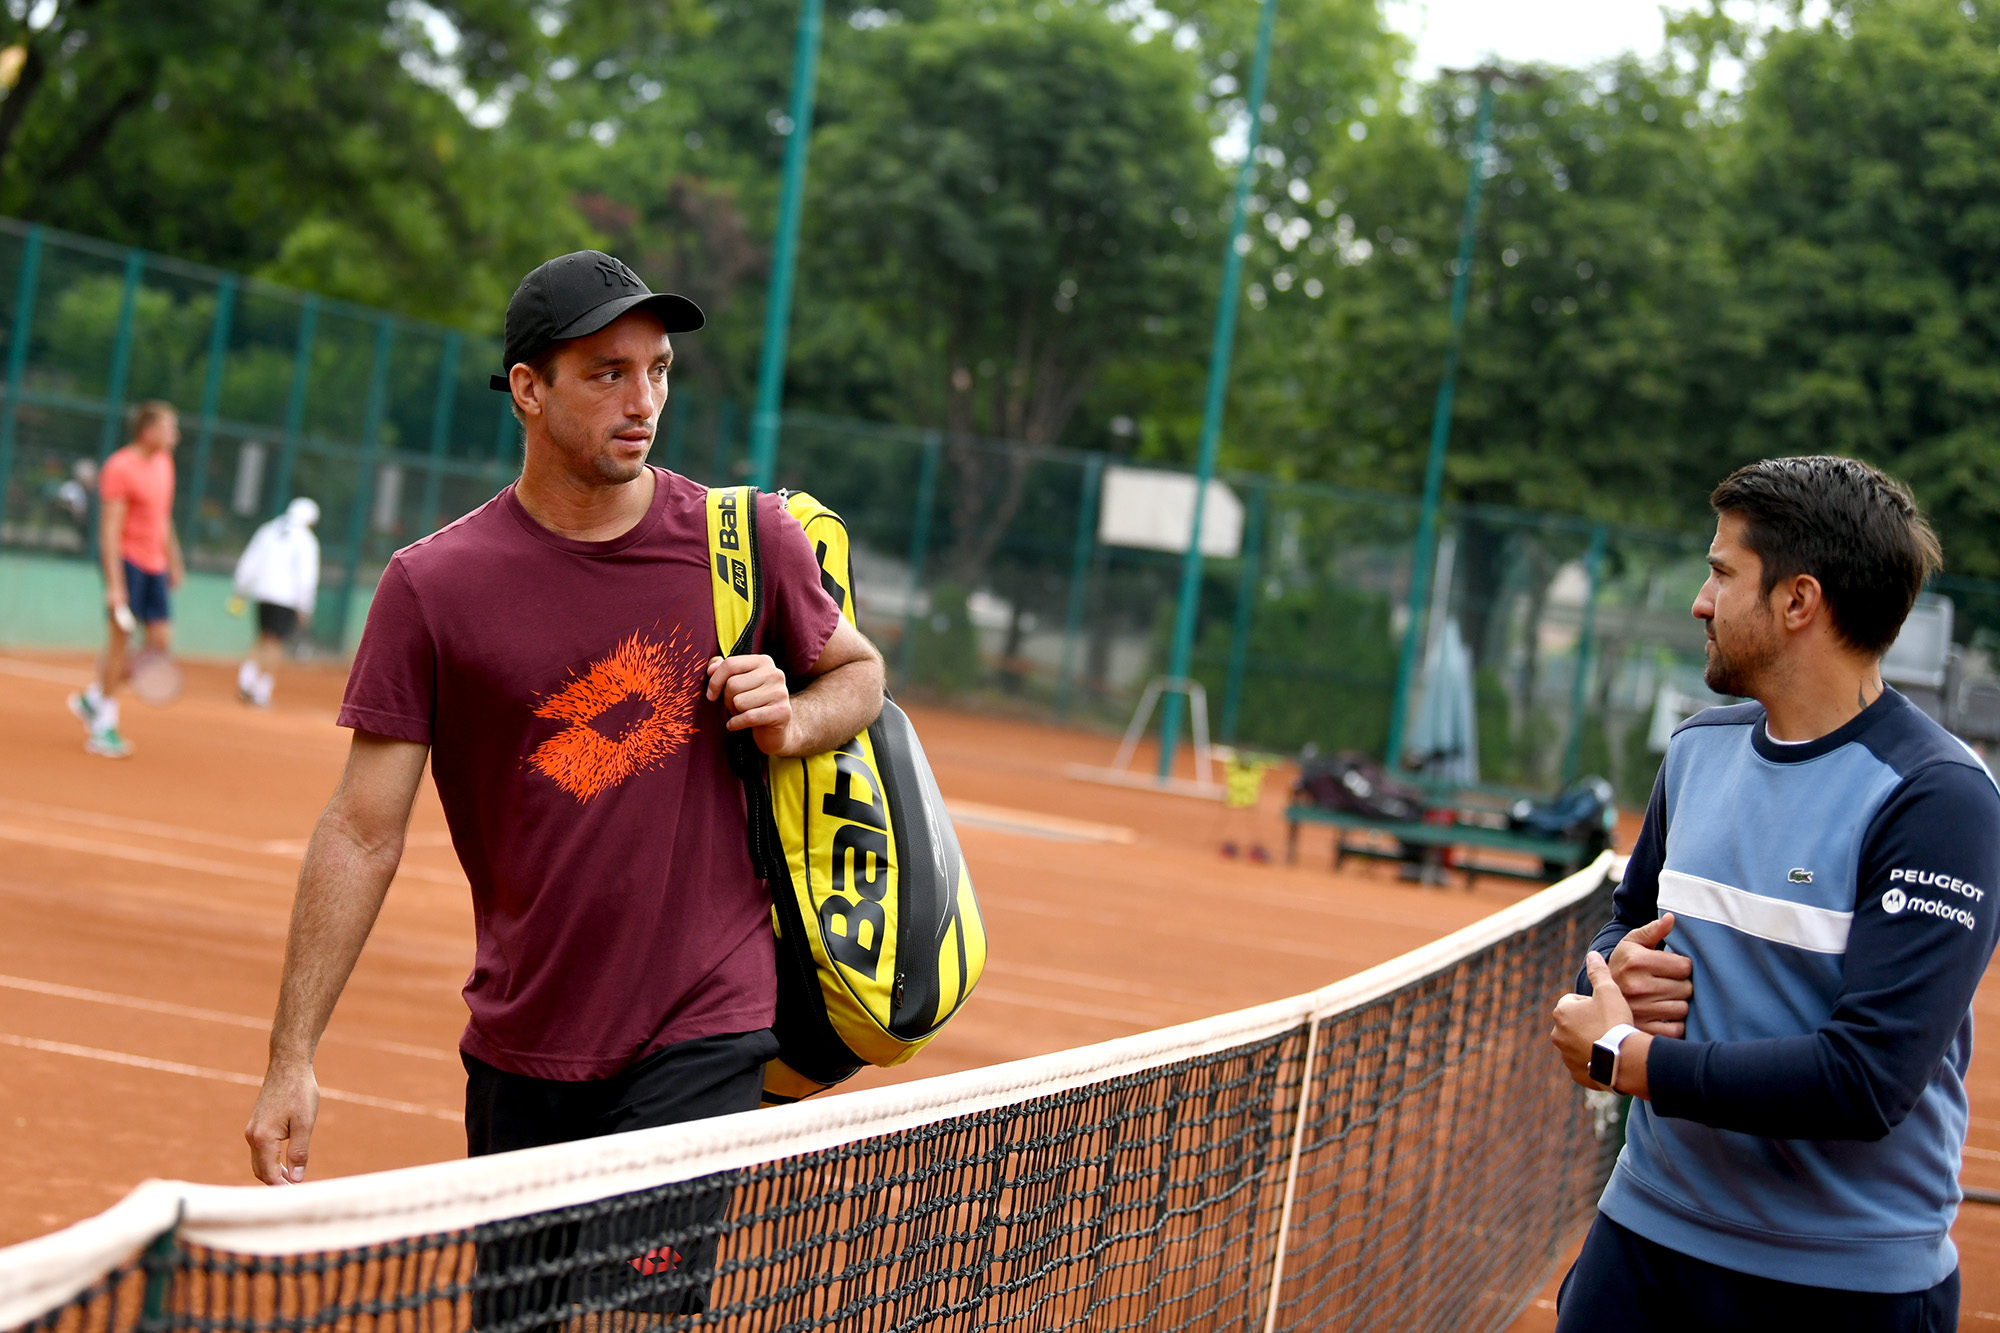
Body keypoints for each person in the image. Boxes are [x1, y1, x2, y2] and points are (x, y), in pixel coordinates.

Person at [243, 251, 884, 1313]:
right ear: (528, 389)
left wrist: (790, 716)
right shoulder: (433, 588)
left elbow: (856, 674)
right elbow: (362, 831)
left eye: (660, 370)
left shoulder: (744, 541)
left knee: (630, 1313)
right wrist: (290, 1057)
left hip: (705, 1019)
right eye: (607, 374)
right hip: (523, 1044)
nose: (644, 403)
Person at [1549, 456, 1998, 1331]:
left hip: (1844, 1288)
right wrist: (1609, 974)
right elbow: (1626, 928)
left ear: (1799, 601)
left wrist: (1627, 1061)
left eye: (1722, 572)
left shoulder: (1938, 798)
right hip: (1641, 1241)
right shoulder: (1696, 749)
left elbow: (1867, 1078)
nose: (1700, 601)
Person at [67, 401, 183, 759]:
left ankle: (93, 698)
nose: (175, 436)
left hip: (155, 566)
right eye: (169, 428)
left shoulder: (164, 463)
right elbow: (109, 532)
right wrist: (115, 587)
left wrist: (173, 560)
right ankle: (103, 726)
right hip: (127, 563)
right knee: (120, 641)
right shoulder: (119, 467)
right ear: (147, 430)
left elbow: (162, 517)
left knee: (159, 641)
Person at [231, 497, 322, 707]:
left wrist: (240, 589)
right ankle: (261, 692)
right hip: (287, 599)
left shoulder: (267, 530)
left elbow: (249, 561)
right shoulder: (307, 540)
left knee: (263, 637)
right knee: (275, 643)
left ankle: (246, 679)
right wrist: (306, 607)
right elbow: (306, 577)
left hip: (262, 593)